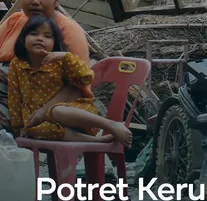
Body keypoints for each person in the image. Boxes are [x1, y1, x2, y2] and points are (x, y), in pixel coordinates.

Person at [8, 15, 132, 146]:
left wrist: (67, 57)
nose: (40, 38)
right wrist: (18, 127)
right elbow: (14, 97)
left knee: (55, 111)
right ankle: (96, 141)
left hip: (73, 111)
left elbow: (86, 78)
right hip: (41, 120)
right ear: (23, 38)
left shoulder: (60, 62)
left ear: (54, 43)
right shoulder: (16, 64)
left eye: (47, 36)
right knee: (33, 129)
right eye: (34, 34)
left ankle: (111, 124)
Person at [0, 0, 91, 131]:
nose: (35, 1)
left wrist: (43, 111)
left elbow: (78, 86)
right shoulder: (15, 20)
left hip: (42, 108)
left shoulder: (68, 30)